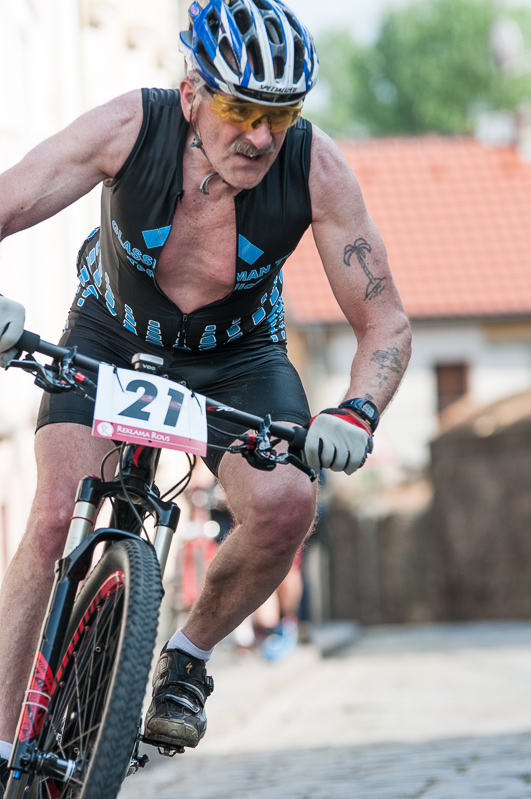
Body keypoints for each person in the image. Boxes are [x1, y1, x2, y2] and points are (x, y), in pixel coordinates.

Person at [0, 0, 412, 784]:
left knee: (287, 503)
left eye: (280, 114)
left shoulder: (314, 167)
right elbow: (11, 196)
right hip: (112, 335)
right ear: (193, 92)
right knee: (54, 515)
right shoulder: (130, 125)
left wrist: (357, 411)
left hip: (236, 358)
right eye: (241, 109)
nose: (260, 135)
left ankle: (186, 658)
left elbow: (384, 320)